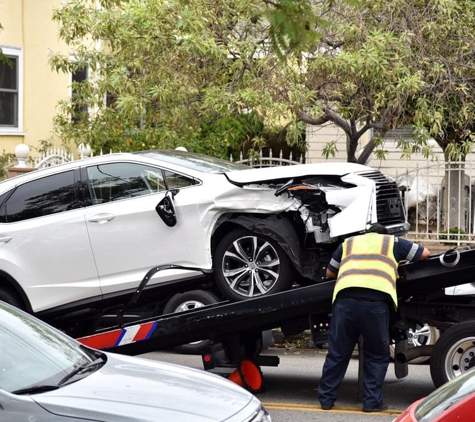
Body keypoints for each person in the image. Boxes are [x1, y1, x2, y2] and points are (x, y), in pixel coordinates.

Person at [317, 223, 430, 413]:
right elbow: (425, 253)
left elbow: (329, 273)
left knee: (338, 353)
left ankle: (326, 399)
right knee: (377, 355)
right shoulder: (391, 242)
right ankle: (371, 402)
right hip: (375, 305)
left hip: (345, 303)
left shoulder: (349, 243)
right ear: (384, 235)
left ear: (366, 234)